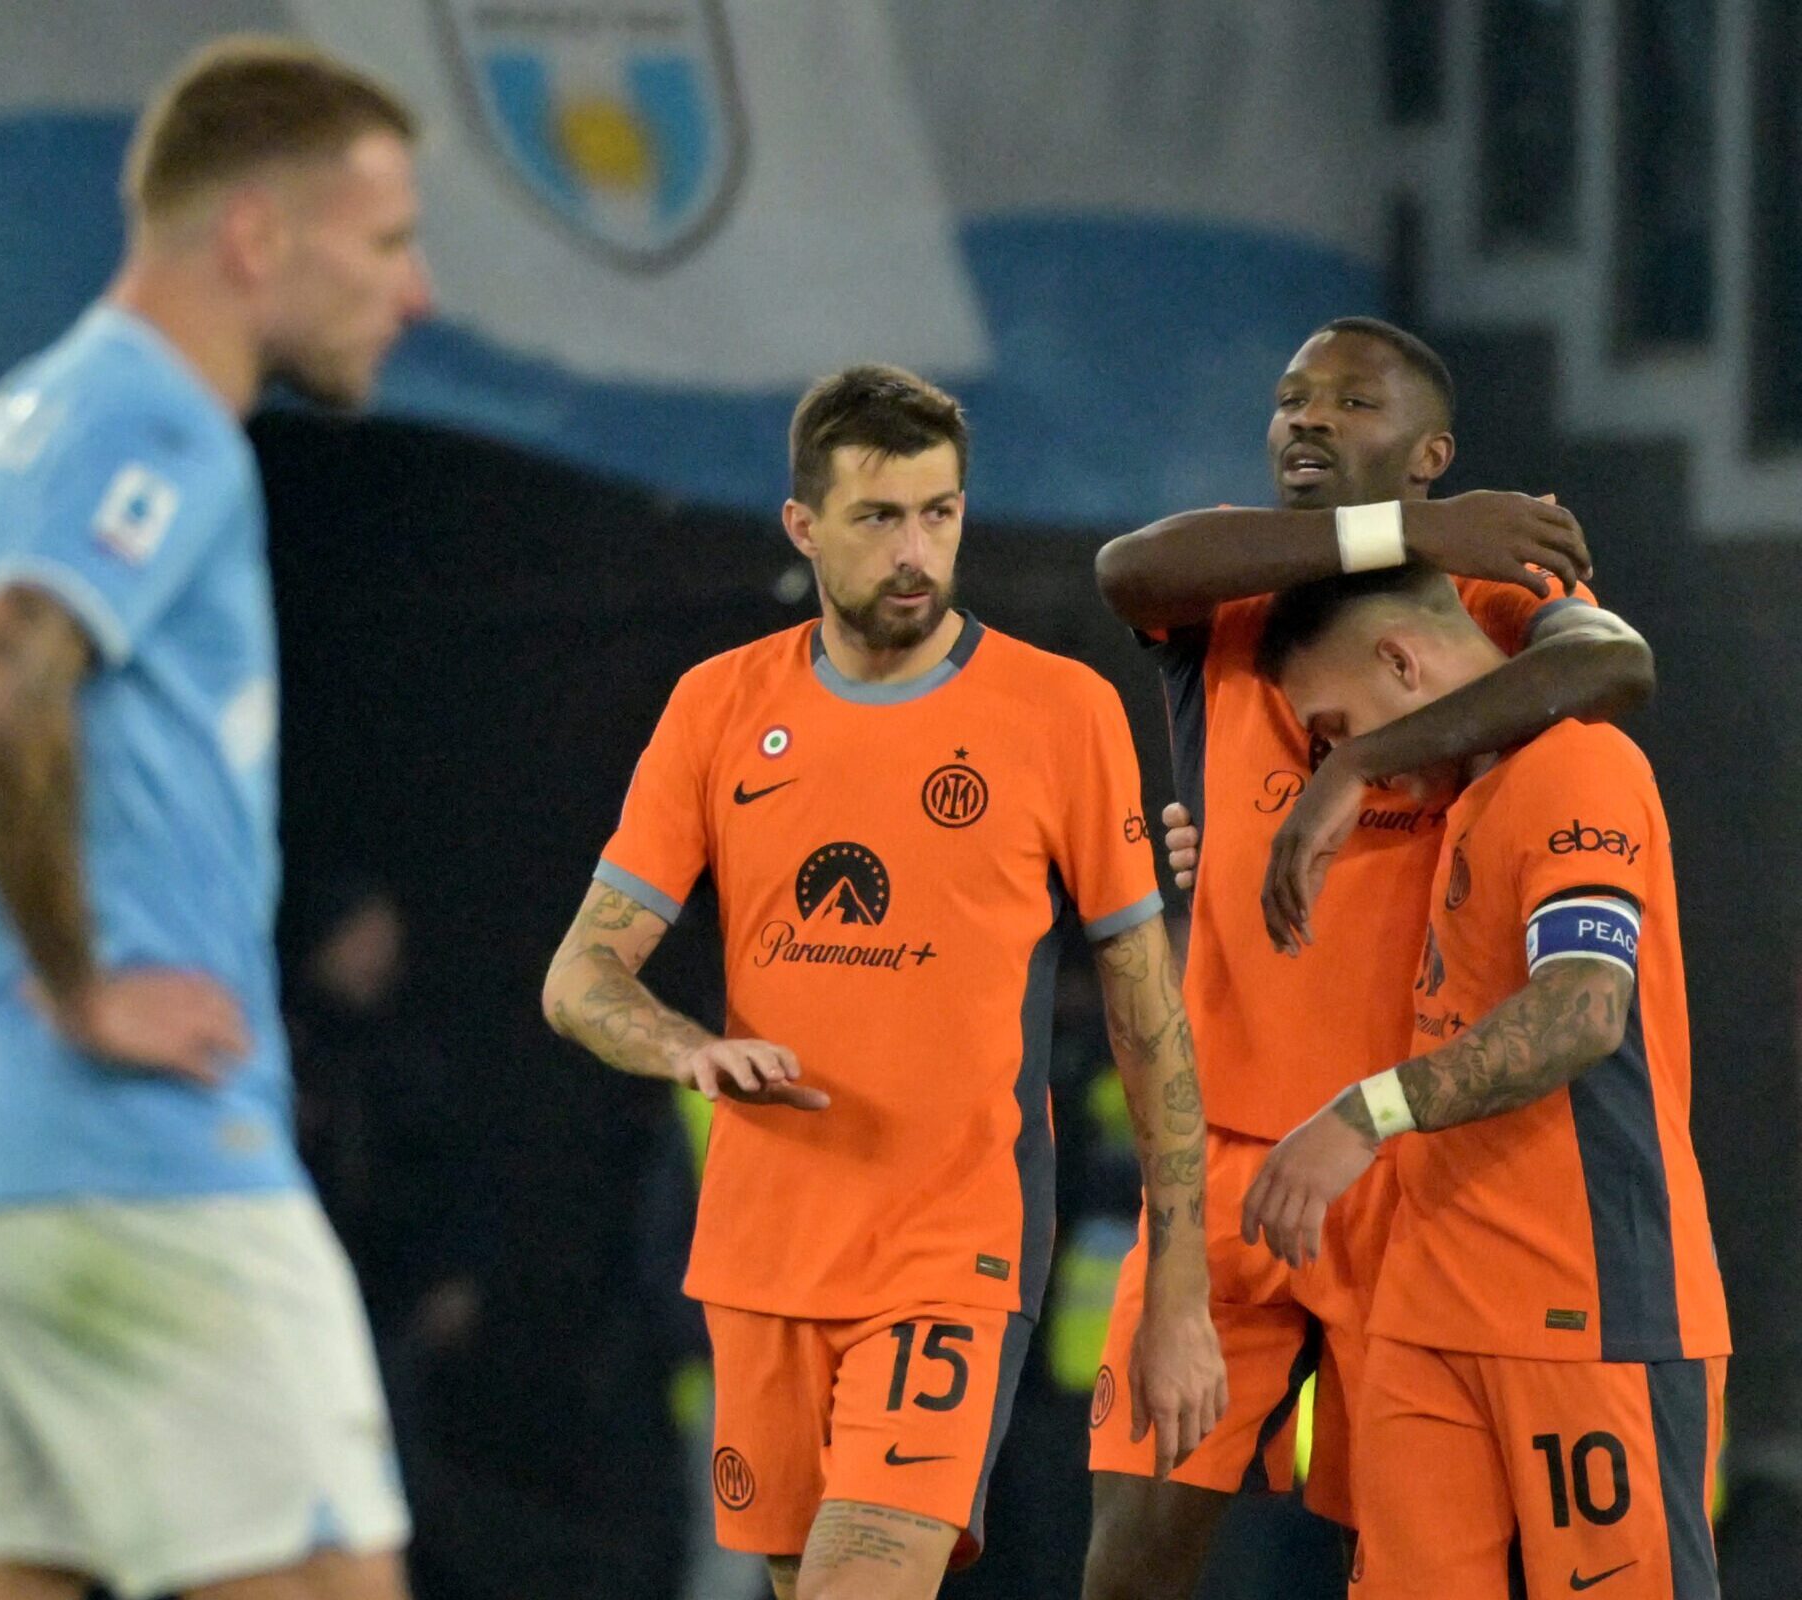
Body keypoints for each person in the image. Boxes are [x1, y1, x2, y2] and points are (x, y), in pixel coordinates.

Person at [0, 36, 432, 1600]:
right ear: (256, 235)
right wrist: (75, 985)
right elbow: (0, 685)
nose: (415, 290)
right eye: (387, 241)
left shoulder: (13, 430)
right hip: (137, 1156)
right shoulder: (158, 421)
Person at [539, 365, 1225, 1600]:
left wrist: (1180, 1286)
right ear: (802, 527)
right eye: (878, 518)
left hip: (948, 1250)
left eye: (939, 513)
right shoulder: (718, 708)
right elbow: (581, 974)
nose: (916, 552)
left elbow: (1145, 1011)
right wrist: (681, 1046)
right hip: (758, 1260)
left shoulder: (1058, 713)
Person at [1080, 318, 1655, 1598]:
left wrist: (1363, 760)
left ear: (1429, 449)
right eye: (1290, 397)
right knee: (1133, 1550)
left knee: (1401, 1550)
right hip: (1224, 1160)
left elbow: (1615, 663)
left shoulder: (1489, 605)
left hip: (1403, 1162)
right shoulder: (1228, 591)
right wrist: (1406, 531)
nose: (1307, 419)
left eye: (1350, 401)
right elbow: (1124, 569)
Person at [1242, 562, 1726, 1597]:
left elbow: (1580, 1009)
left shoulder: (1577, 767)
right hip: (1431, 1311)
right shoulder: (1465, 804)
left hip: (1593, 1303)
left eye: (1332, 727)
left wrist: (1367, 1112)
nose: (1338, 759)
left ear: (1402, 659)